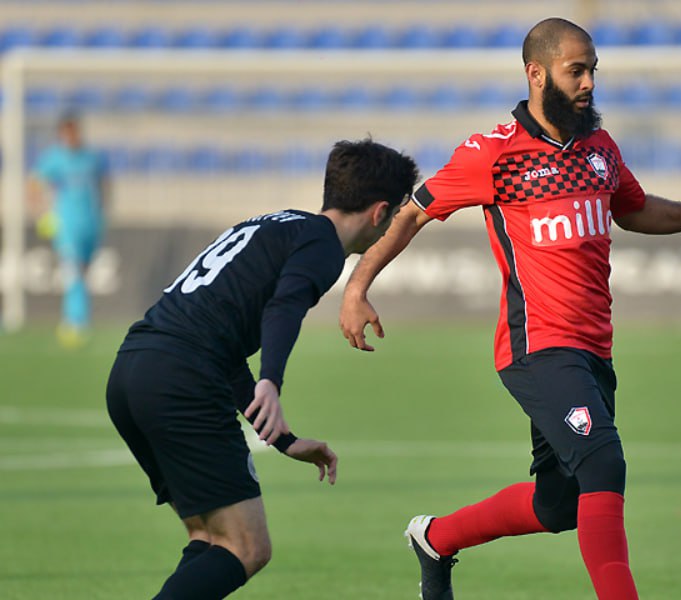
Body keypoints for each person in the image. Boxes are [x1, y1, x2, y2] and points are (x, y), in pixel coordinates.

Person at [339, 17, 681, 600]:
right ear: (536, 74)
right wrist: (357, 286)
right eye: (576, 71)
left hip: (592, 351)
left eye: (592, 71)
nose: (588, 83)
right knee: (604, 465)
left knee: (559, 505)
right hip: (537, 347)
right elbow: (412, 211)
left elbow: (632, 209)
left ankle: (435, 538)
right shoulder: (493, 154)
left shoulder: (599, 149)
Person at [106, 138, 419, 599]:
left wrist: (283, 440)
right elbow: (287, 302)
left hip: (134, 370)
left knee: (210, 538)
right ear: (380, 212)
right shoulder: (323, 246)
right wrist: (272, 378)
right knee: (247, 547)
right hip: (182, 380)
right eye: (392, 217)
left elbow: (225, 345)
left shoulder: (273, 225)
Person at [28, 111, 110, 347]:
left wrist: (104, 212)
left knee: (82, 272)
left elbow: (103, 184)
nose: (72, 136)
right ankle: (75, 322)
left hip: (91, 223)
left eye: (75, 130)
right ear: (61, 133)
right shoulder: (54, 159)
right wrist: (43, 215)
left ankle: (77, 320)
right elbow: (34, 184)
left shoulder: (92, 156)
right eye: (67, 131)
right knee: (72, 270)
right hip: (67, 224)